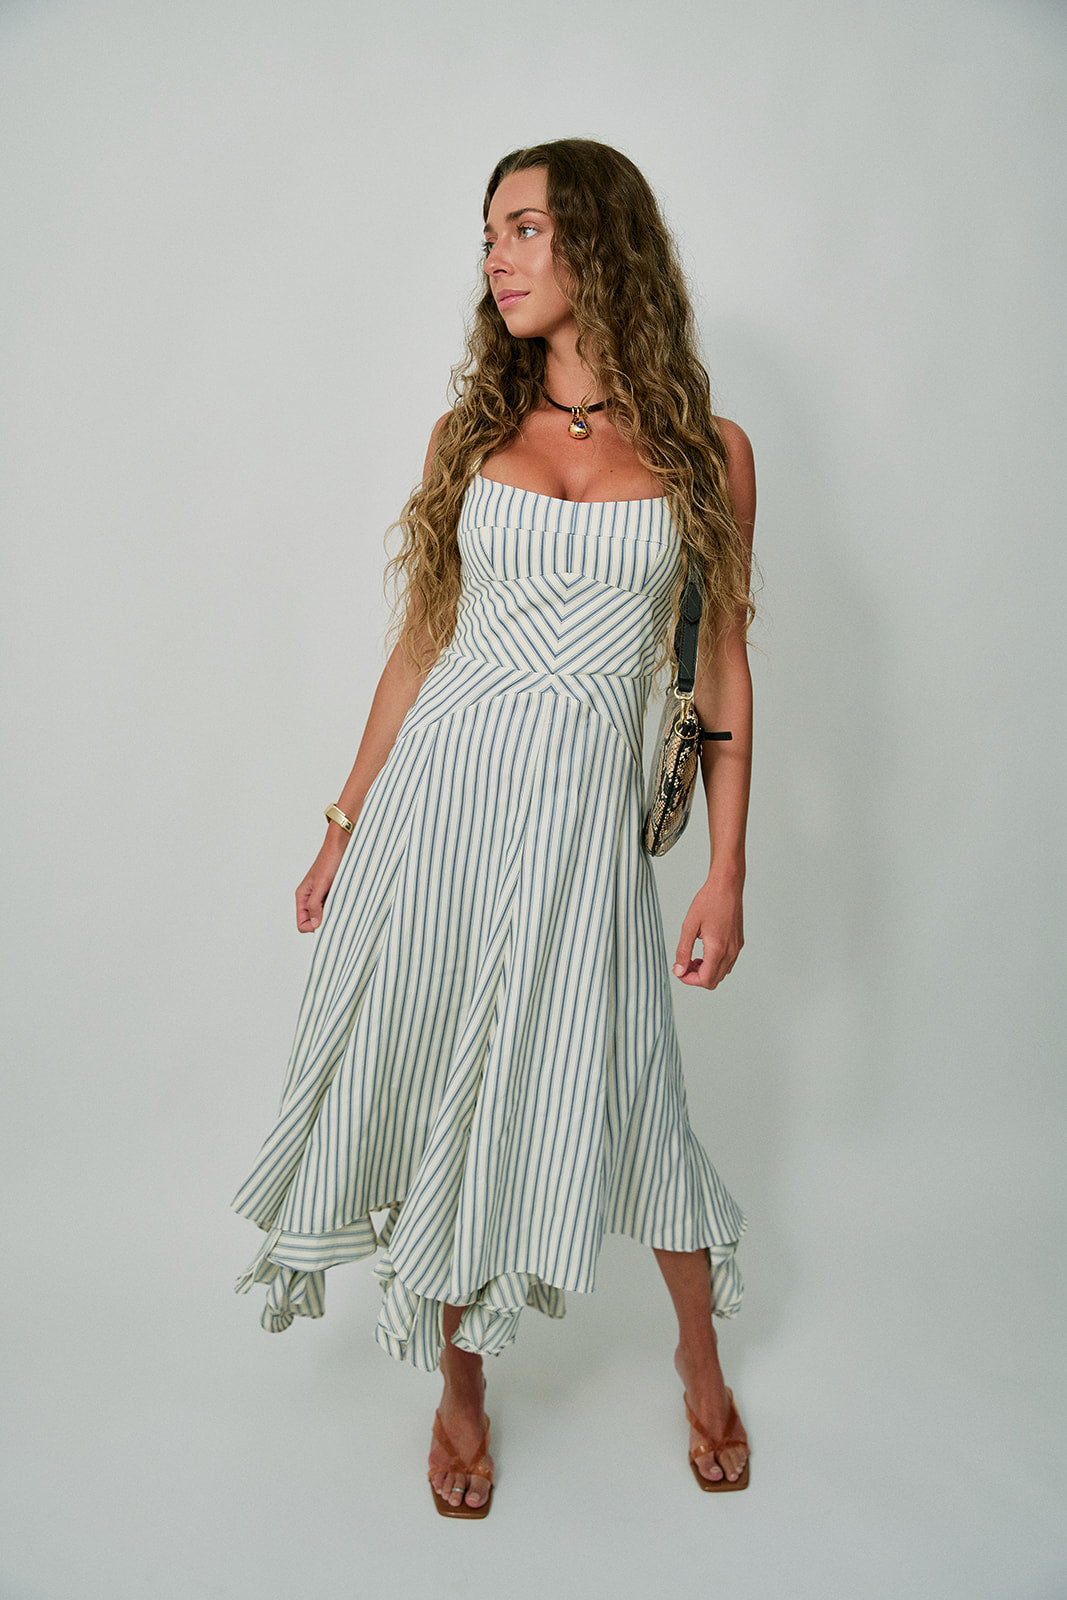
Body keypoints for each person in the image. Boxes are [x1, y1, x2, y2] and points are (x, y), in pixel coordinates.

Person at [233, 137, 756, 1516]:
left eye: (524, 228)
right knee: (452, 1083)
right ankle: (461, 1391)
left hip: (580, 828)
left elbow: (718, 675)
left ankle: (702, 1362)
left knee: (634, 1083)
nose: (497, 257)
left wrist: (727, 874)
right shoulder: (471, 440)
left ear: (600, 244)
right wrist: (345, 821)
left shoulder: (710, 456)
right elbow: (420, 646)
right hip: (442, 809)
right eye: (489, 236)